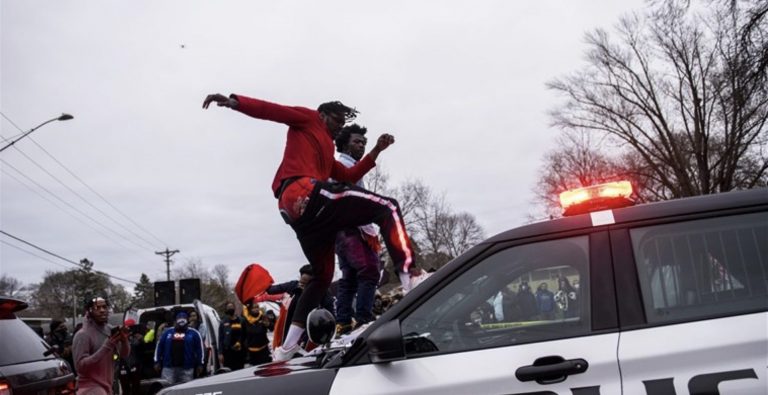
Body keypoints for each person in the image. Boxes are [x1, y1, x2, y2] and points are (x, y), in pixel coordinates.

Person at [203, 93, 418, 361]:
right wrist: (236, 102)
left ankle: (286, 348)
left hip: (299, 215)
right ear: (323, 114)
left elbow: (349, 175)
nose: (338, 127)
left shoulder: (327, 151)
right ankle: (412, 278)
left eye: (341, 125)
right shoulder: (307, 118)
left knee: (322, 276)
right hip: (301, 191)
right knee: (387, 207)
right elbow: (273, 110)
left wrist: (375, 151)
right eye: (337, 120)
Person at [332, 124, 384, 335]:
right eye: (357, 142)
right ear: (345, 144)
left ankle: (343, 321)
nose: (362, 146)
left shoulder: (347, 166)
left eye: (364, 143)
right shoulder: (342, 167)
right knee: (370, 269)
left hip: (342, 230)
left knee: (350, 277)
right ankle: (363, 318)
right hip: (351, 228)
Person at [72, 296, 130, 395]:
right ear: (89, 311)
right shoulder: (83, 335)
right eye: (97, 308)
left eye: (104, 307)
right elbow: (80, 367)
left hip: (108, 386)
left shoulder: (109, 330)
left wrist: (125, 341)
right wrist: (106, 347)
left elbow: (124, 355)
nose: (102, 310)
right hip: (90, 389)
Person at [266, 264, 335, 348]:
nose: (303, 288)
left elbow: (331, 316)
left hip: (310, 332)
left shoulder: (324, 294)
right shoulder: (293, 285)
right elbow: (270, 290)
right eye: (302, 284)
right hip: (290, 328)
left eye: (307, 286)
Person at [153, 311, 204, 386]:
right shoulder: (167, 332)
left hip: (187, 368)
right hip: (168, 368)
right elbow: (159, 347)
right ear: (176, 320)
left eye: (184, 319)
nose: (181, 321)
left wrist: (200, 363)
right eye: (179, 319)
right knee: (167, 389)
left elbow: (200, 349)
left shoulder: (194, 333)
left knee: (186, 389)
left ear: (187, 320)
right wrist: (157, 361)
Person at [217, 301, 246, 371]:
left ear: (234, 308)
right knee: (229, 372)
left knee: (240, 371)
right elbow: (220, 339)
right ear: (226, 309)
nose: (230, 308)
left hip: (239, 352)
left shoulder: (241, 320)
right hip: (228, 352)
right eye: (229, 307)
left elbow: (245, 335)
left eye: (232, 307)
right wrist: (220, 353)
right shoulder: (223, 322)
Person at [242, 302, 272, 366]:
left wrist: (268, 324)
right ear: (250, 310)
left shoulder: (263, 317)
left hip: (264, 350)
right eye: (253, 308)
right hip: (252, 353)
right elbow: (243, 336)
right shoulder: (245, 320)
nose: (256, 309)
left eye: (257, 307)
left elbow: (272, 327)